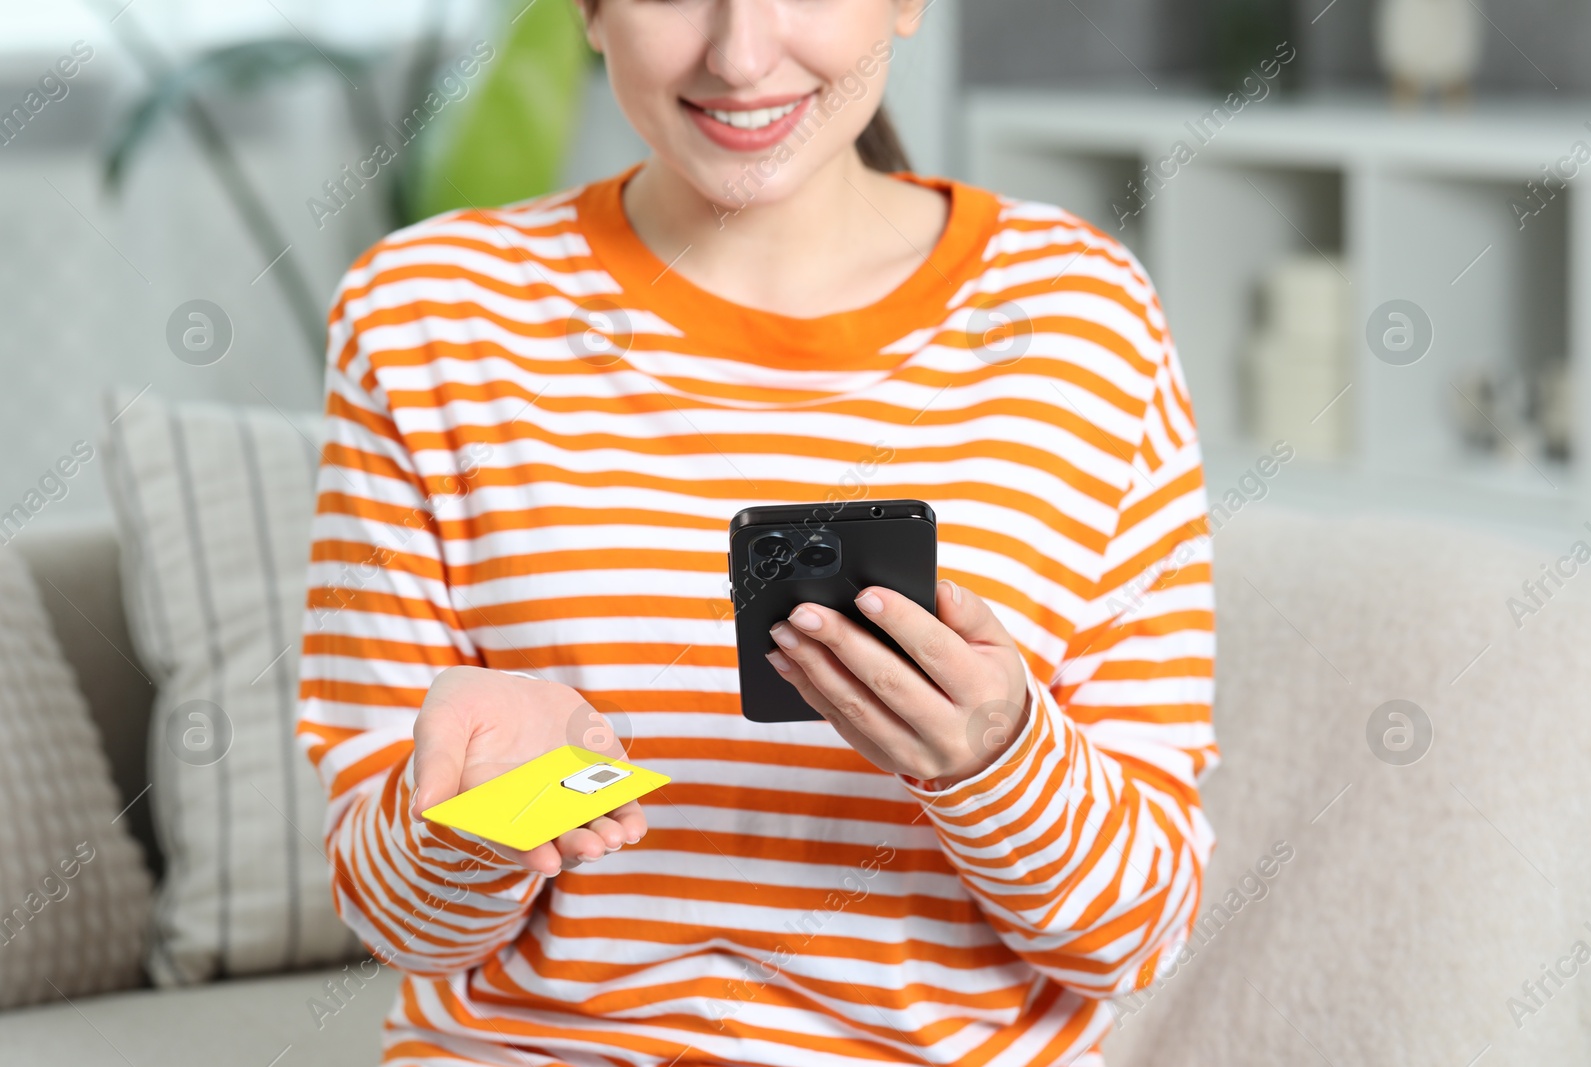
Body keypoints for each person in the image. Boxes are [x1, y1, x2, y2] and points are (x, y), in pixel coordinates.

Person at [295, 1, 1219, 1064]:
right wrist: (483, 812)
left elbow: (1138, 937)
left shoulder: (1084, 322)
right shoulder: (424, 319)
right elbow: (399, 926)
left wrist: (999, 763)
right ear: (589, 11)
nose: (739, 56)